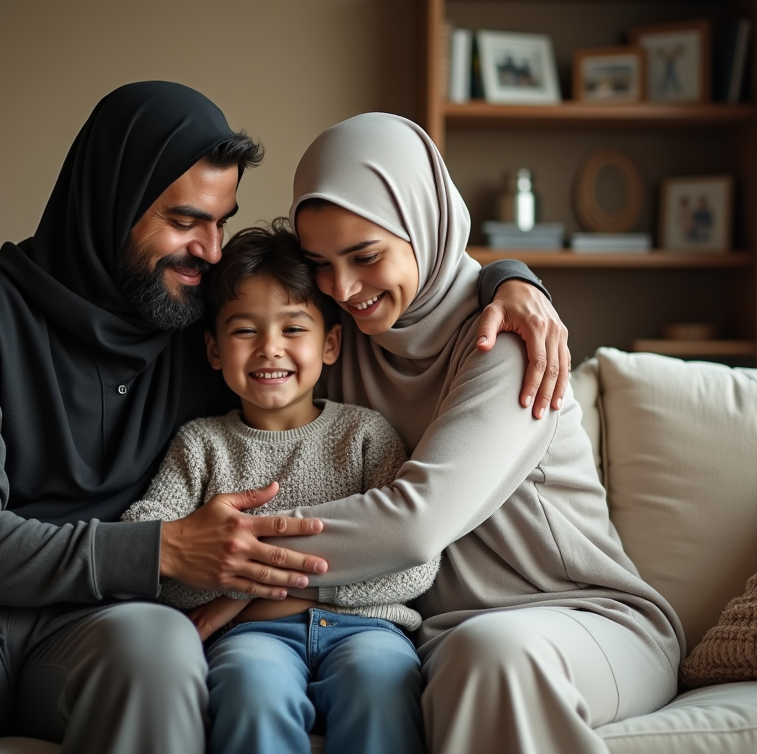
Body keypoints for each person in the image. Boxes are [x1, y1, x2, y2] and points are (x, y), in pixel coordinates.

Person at [0, 82, 568, 754]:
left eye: (219, 222)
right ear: (110, 205)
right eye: (184, 221)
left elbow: (339, 303)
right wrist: (164, 550)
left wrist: (512, 277)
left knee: (161, 653)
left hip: (100, 620)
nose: (207, 250)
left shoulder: (198, 328)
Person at [282, 113, 686, 754]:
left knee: (489, 653)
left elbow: (414, 526)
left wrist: (234, 551)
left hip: (586, 621)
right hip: (442, 634)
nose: (344, 289)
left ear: (424, 223)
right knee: (462, 654)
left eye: (365, 256)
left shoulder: (508, 342)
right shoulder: (337, 340)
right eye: (320, 266)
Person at [122, 220, 434, 754]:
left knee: (381, 685)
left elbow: (415, 561)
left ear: (331, 343)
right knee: (250, 689)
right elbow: (150, 550)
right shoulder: (201, 445)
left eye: (293, 329)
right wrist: (240, 607)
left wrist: (240, 592)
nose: (270, 348)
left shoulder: (365, 435)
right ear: (215, 350)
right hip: (250, 641)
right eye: (245, 331)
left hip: (370, 633)